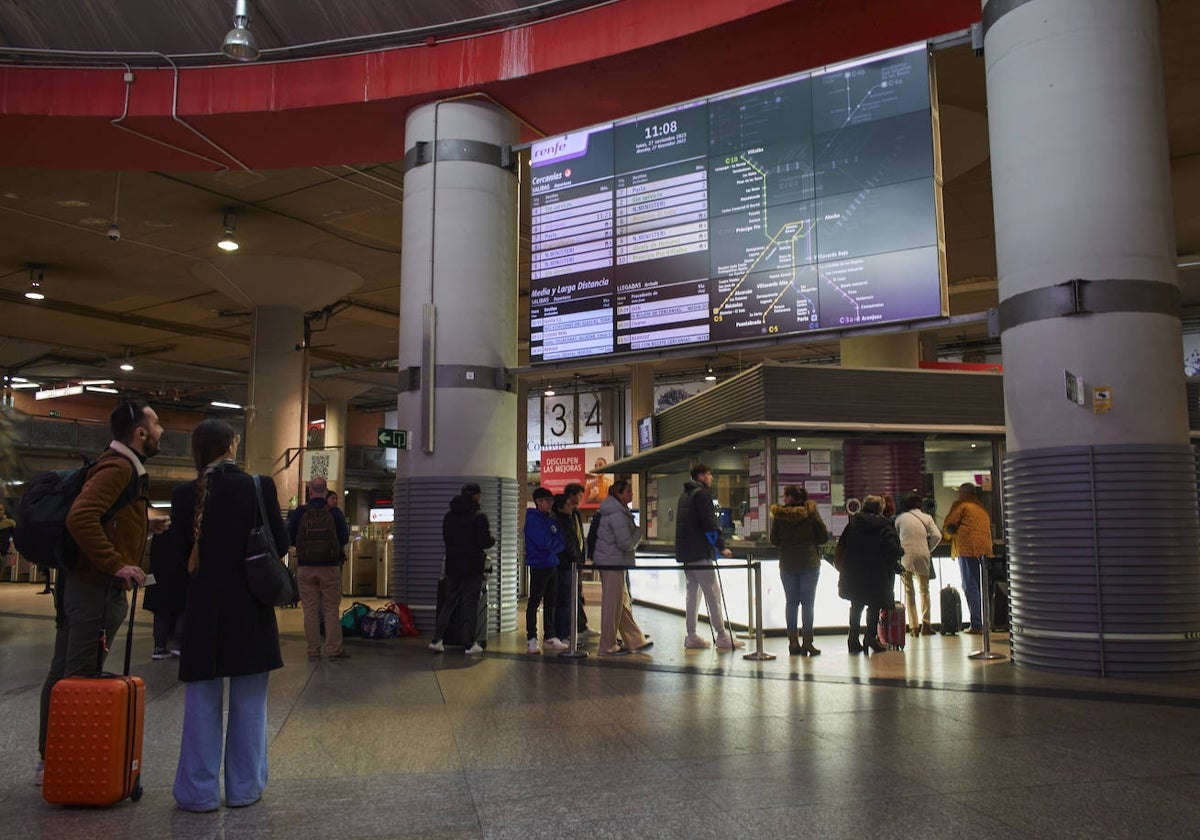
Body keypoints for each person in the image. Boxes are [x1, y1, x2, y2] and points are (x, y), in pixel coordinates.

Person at [36, 399, 164, 785]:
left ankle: (53, 758)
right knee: (79, 675)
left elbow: (105, 518)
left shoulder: (119, 466)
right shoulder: (119, 467)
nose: (161, 431)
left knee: (63, 673)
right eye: (155, 424)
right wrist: (115, 563)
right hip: (94, 588)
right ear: (140, 433)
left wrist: (148, 528)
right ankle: (68, 765)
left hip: (83, 584)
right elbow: (81, 517)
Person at [171, 419, 287, 812]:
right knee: (250, 705)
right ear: (232, 446)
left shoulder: (183, 495)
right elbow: (281, 543)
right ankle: (244, 789)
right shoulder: (258, 487)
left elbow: (178, 556)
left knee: (201, 705)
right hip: (250, 608)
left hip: (203, 611)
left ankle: (198, 793)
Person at [675, 463, 743, 651]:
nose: (712, 478)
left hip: (687, 553)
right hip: (700, 552)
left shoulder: (684, 495)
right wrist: (721, 547)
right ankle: (721, 635)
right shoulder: (702, 495)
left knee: (692, 595)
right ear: (702, 476)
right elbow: (709, 524)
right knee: (713, 595)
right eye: (710, 474)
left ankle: (691, 635)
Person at [288, 476, 350, 661]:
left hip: (306, 567)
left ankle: (313, 650)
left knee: (310, 610)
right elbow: (344, 539)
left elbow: (290, 538)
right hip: (330, 567)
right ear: (325, 491)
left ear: (310, 492)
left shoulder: (300, 512)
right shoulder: (334, 513)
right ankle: (333, 649)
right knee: (331, 609)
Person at [429, 482, 495, 655]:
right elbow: (483, 542)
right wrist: (491, 540)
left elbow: (446, 539)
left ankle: (437, 640)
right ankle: (469, 644)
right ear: (475, 496)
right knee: (470, 606)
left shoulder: (449, 516)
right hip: (472, 567)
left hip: (452, 565)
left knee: (449, 602)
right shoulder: (479, 517)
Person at [836, 494, 902, 655]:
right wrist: (900, 554)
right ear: (880, 509)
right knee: (874, 606)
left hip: (854, 572)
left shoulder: (853, 525)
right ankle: (870, 638)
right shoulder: (885, 527)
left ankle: (853, 639)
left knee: (856, 605)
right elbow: (893, 550)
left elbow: (841, 546)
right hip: (877, 574)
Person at [593, 478, 652, 656]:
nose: (631, 494)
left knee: (621, 603)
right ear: (619, 493)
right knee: (613, 604)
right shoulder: (617, 514)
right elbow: (626, 543)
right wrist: (639, 533)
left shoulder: (616, 510)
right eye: (628, 491)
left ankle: (635, 639)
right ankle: (607, 645)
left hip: (613, 561)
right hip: (612, 562)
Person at [769, 485, 829, 656]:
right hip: (809, 562)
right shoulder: (810, 514)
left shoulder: (780, 516)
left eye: (785, 496)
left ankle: (793, 642)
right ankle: (808, 643)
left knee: (791, 603)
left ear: (789, 497)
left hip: (787, 563)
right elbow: (823, 536)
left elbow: (774, 540)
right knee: (808, 604)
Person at [942, 482, 993, 634]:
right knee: (979, 587)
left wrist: (946, 536)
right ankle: (985, 622)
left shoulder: (961, 504)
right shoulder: (981, 506)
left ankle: (976, 624)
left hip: (968, 548)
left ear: (964, 493)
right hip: (984, 548)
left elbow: (949, 525)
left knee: (969, 586)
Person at [524, 486, 567, 654]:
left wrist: (553, 545)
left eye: (551, 501)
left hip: (551, 564)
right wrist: (553, 544)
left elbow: (560, 541)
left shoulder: (550, 519)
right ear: (538, 502)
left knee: (551, 601)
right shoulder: (533, 520)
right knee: (534, 602)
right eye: (547, 501)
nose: (550, 504)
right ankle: (531, 638)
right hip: (539, 565)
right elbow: (545, 543)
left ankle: (550, 635)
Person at [895, 494, 941, 637]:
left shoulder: (900, 519)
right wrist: (928, 548)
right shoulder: (927, 518)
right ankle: (926, 625)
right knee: (924, 591)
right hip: (923, 555)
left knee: (909, 592)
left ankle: (914, 627)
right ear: (920, 505)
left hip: (905, 556)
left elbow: (895, 537)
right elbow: (937, 536)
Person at [145, 522, 188, 659]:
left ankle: (159, 647)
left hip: (160, 576)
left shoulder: (160, 529)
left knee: (161, 612)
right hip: (181, 575)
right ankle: (179, 646)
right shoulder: (185, 530)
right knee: (183, 609)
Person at [562, 481, 599, 638]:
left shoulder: (576, 513)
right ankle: (569, 630)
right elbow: (569, 540)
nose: (581, 498)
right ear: (571, 495)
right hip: (567, 563)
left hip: (576, 562)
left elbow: (579, 540)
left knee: (578, 594)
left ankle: (580, 627)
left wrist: (582, 559)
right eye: (579, 495)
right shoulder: (564, 514)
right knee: (569, 596)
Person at [551, 491, 585, 645]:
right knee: (565, 600)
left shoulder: (568, 519)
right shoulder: (561, 521)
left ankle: (567, 632)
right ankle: (564, 633)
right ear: (560, 507)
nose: (571, 506)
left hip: (568, 565)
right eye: (568, 504)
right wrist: (575, 559)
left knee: (568, 600)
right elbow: (568, 545)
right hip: (565, 566)